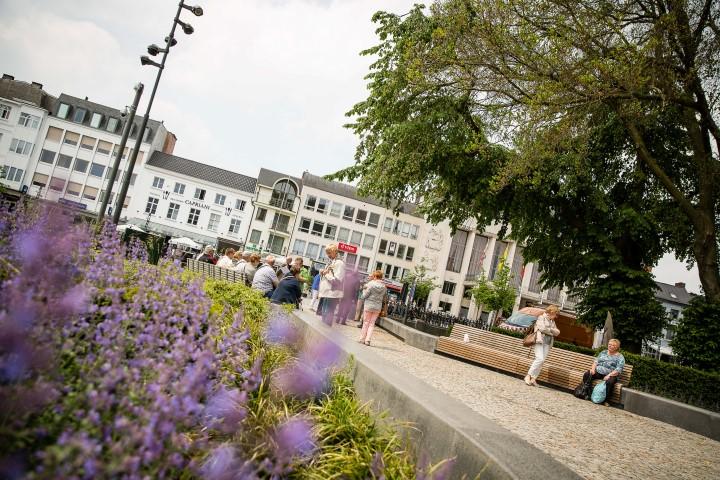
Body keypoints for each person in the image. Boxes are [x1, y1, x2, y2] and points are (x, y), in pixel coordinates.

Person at [524, 304, 561, 386]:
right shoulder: (541, 317)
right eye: (555, 314)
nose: (556, 316)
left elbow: (558, 332)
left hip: (548, 343)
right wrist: (552, 331)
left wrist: (550, 330)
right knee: (539, 359)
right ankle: (528, 376)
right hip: (539, 341)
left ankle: (533, 379)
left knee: (542, 361)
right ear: (551, 312)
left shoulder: (552, 322)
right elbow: (542, 328)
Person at [318, 244, 345, 326]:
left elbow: (337, 280)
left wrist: (325, 274)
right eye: (327, 253)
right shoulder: (332, 262)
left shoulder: (340, 263)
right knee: (324, 313)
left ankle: (325, 335)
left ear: (335, 252)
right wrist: (322, 273)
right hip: (327, 292)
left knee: (327, 314)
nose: (328, 255)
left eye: (329, 253)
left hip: (332, 292)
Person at [359, 270, 387, 346]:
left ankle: (362, 339)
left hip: (369, 306)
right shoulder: (384, 287)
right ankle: (368, 340)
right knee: (372, 324)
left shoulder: (370, 284)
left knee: (366, 322)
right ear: (381, 277)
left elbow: (365, 295)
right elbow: (384, 298)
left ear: (375, 276)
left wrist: (363, 291)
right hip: (377, 307)